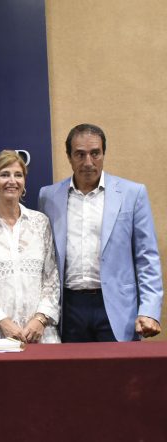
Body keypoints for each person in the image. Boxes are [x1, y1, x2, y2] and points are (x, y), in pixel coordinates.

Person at [38, 123, 163, 342]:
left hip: (118, 309)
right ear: (69, 157)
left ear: (104, 153)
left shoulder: (132, 194)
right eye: (80, 154)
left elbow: (147, 258)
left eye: (95, 153)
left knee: (120, 375)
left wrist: (149, 310)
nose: (88, 162)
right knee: (71, 375)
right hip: (68, 308)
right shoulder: (48, 197)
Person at [0, 150, 60, 343]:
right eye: (4, 174)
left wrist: (40, 319)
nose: (12, 180)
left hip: (39, 334)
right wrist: (3, 322)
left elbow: (51, 276)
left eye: (18, 175)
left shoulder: (40, 222)